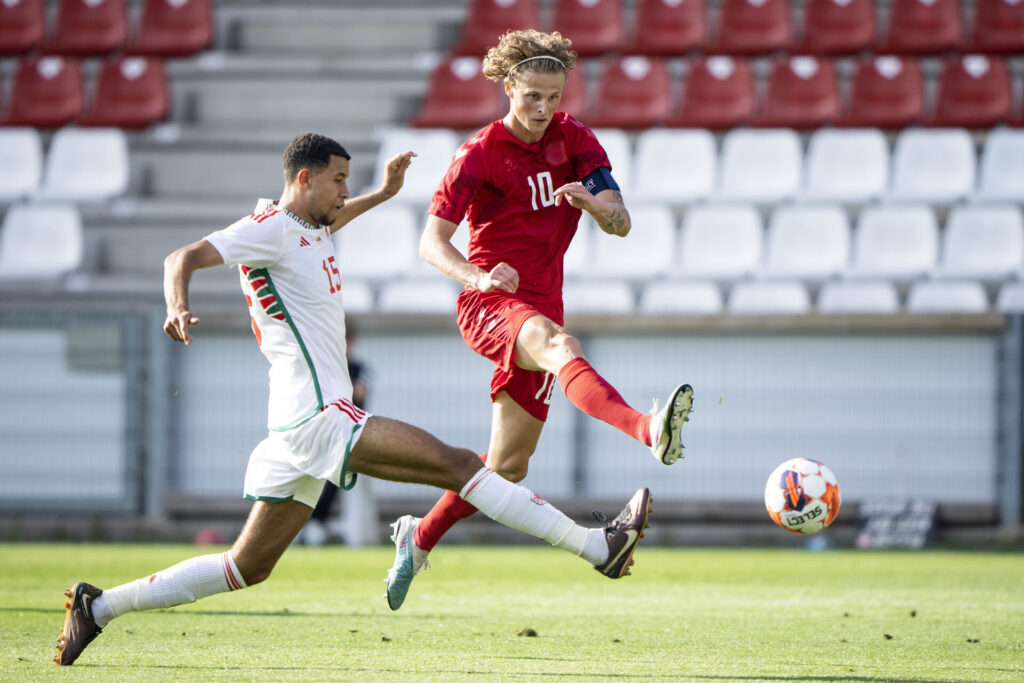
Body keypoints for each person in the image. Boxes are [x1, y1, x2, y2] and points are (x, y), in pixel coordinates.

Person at [53, 132, 653, 666]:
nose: (345, 191)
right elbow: (179, 256)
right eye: (338, 180)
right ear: (303, 178)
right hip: (320, 416)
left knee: (246, 567)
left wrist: (382, 195)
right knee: (462, 465)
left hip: (295, 423)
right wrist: (177, 304)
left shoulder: (304, 228)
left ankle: (99, 607)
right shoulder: (267, 229)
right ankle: (594, 546)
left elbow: (325, 228)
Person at [384, 30, 694, 610]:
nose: (545, 109)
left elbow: (621, 221)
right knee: (558, 342)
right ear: (509, 87)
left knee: (506, 468)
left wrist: (598, 208)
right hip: (490, 304)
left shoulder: (576, 140)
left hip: (540, 306)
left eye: (554, 96)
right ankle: (647, 430)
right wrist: (478, 278)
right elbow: (432, 243)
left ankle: (417, 537)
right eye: (533, 96)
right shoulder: (477, 153)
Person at [302, 322, 370, 546]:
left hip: (347, 436)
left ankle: (316, 522)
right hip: (321, 434)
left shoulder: (358, 368)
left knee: (337, 474)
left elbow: (360, 396)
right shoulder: (325, 367)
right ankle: (310, 522)